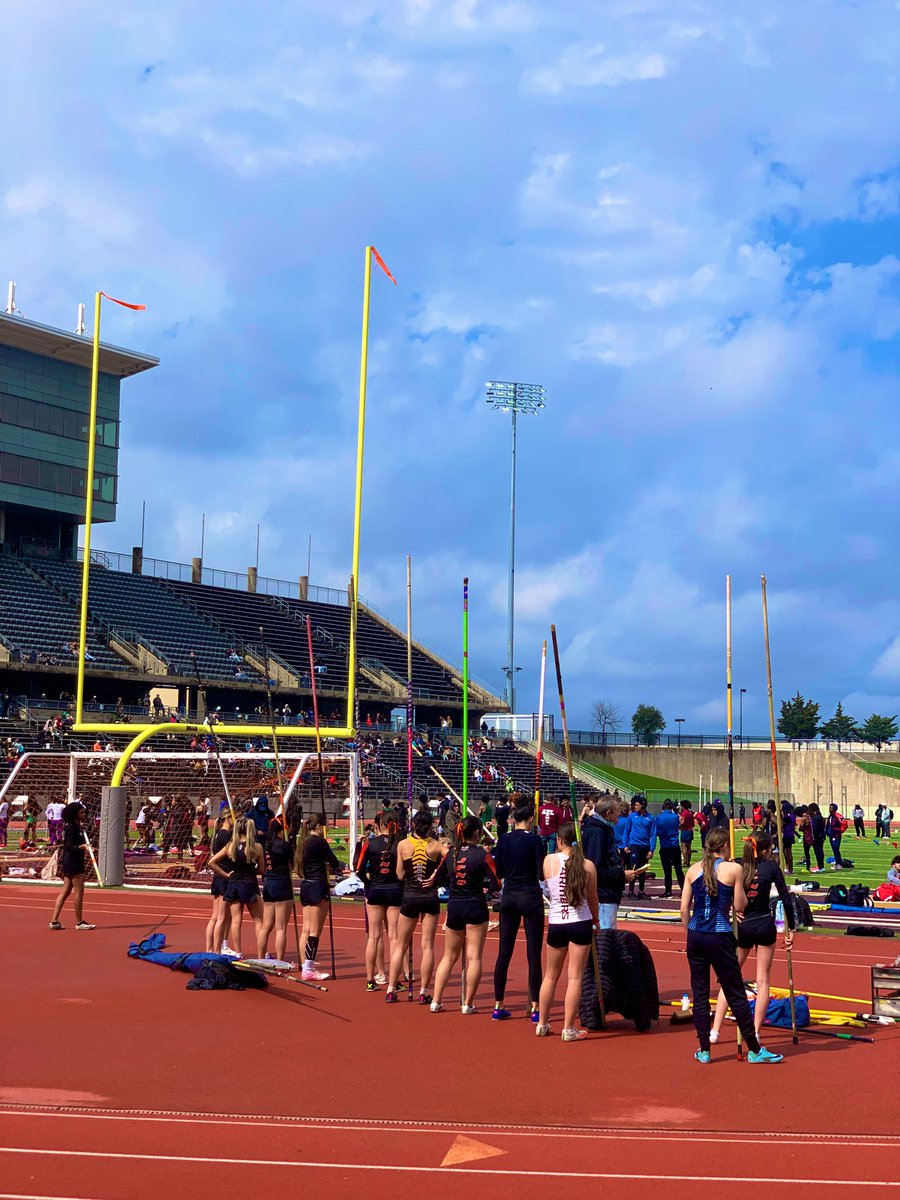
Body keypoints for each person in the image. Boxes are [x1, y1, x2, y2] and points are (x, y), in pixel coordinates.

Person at [680, 827, 782, 1064]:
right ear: (725, 846)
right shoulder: (733, 869)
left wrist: (689, 933)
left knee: (701, 993)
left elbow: (684, 909)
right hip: (719, 934)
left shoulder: (693, 870)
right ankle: (755, 1050)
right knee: (735, 992)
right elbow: (739, 905)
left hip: (696, 936)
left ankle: (704, 1049)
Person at [710, 832, 795, 1044]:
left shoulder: (736, 865)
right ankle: (755, 1031)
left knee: (730, 978)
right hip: (764, 925)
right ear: (765, 850)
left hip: (743, 926)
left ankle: (715, 1030)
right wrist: (790, 929)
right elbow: (785, 898)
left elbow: (719, 890)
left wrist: (730, 909)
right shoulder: (771, 867)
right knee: (763, 979)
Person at [535, 822, 599, 1042]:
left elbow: (550, 887)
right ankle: (568, 1028)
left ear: (559, 841)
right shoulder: (587, 865)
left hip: (557, 923)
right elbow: (593, 899)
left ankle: (542, 1023)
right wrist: (597, 921)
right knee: (575, 977)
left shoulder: (549, 861)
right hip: (580, 922)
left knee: (550, 975)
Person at [430, 815, 500, 1014]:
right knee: (474, 957)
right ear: (477, 833)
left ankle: (436, 1000)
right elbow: (497, 883)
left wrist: (454, 883)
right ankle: (468, 1003)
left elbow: (438, 878)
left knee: (448, 956)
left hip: (455, 906)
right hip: (475, 906)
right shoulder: (482, 855)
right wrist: (483, 885)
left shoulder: (452, 852)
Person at [492, 798, 546, 1021]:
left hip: (511, 896)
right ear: (531, 819)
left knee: (504, 951)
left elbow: (500, 871)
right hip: (530, 895)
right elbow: (540, 873)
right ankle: (535, 1008)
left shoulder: (503, 840)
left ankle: (498, 1004)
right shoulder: (535, 840)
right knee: (533, 954)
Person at [386, 809, 447, 1004]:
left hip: (410, 896)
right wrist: (435, 875)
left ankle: (390, 989)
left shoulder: (403, 844)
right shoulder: (436, 846)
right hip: (429, 897)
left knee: (400, 945)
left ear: (413, 824)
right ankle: (424, 991)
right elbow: (450, 856)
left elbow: (400, 875)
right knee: (427, 945)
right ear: (430, 826)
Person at [356, 808, 404, 992]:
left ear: (381, 824)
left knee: (374, 936)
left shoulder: (371, 843)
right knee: (394, 936)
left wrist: (369, 882)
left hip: (375, 890)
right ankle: (394, 980)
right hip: (394, 890)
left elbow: (359, 868)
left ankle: (370, 979)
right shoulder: (400, 843)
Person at [209, 816, 264, 957]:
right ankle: (261, 954)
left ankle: (238, 953)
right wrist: (253, 869)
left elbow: (212, 862)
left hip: (234, 883)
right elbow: (262, 870)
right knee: (258, 920)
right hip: (250, 883)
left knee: (236, 920)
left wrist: (226, 874)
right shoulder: (256, 847)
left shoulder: (231, 846)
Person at [582, 794, 638, 930]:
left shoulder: (605, 830)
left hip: (608, 893)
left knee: (605, 935)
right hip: (603, 895)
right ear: (608, 813)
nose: (619, 816)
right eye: (617, 813)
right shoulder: (598, 833)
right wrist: (621, 875)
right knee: (604, 936)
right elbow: (596, 869)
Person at [297, 815, 341, 981]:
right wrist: (328, 866)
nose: (327, 829)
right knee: (315, 931)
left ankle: (305, 964)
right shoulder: (319, 842)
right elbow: (334, 862)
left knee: (306, 929)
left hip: (307, 885)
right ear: (318, 827)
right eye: (326, 826)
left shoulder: (304, 841)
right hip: (317, 885)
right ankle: (308, 968)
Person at [49, 802, 96, 931]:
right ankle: (79, 922)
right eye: (81, 812)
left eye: (84, 812)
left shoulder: (77, 827)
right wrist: (83, 846)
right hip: (73, 862)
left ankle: (54, 921)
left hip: (71, 861)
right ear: (74, 813)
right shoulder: (72, 828)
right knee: (79, 892)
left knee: (65, 892)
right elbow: (70, 846)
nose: (84, 815)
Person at [258, 816, 297, 962]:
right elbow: (292, 866)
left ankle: (260, 958)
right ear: (284, 828)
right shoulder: (285, 845)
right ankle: (280, 961)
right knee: (281, 927)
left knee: (266, 926)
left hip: (268, 884)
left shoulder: (266, 844)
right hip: (282, 885)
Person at [205, 807, 235, 953]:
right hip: (224, 876)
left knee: (215, 917)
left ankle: (210, 949)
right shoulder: (225, 835)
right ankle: (216, 950)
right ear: (228, 818)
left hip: (218, 877)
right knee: (221, 917)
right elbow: (229, 855)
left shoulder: (218, 834)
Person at [623, 796, 655, 900]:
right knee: (633, 868)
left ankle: (641, 891)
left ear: (643, 805)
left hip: (645, 846)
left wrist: (651, 849)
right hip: (634, 845)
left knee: (643, 870)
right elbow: (626, 831)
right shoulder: (631, 817)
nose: (634, 807)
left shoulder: (650, 818)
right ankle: (631, 891)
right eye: (634, 805)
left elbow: (653, 834)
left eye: (637, 805)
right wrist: (626, 845)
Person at [656, 799, 684, 898]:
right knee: (678, 869)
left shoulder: (659, 817)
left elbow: (657, 831)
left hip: (665, 845)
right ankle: (683, 889)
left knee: (667, 870)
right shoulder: (675, 817)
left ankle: (668, 890)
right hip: (675, 845)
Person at [825, 804, 848, 868]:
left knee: (836, 849)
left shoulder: (838, 816)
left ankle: (839, 864)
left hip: (836, 835)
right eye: (829, 807)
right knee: (834, 849)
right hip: (831, 835)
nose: (830, 809)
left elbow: (845, 823)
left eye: (831, 808)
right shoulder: (830, 816)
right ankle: (837, 863)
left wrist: (839, 831)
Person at [807, 803, 826, 872]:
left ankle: (821, 867)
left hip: (817, 837)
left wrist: (812, 837)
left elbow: (814, 829)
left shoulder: (816, 818)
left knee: (818, 852)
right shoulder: (820, 817)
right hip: (820, 836)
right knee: (820, 852)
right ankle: (821, 866)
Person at [679, 800, 696, 867]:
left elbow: (682, 821)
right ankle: (688, 862)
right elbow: (693, 824)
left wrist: (679, 826)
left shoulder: (684, 813)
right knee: (689, 847)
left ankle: (685, 862)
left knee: (683, 846)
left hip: (685, 830)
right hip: (690, 831)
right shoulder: (690, 813)